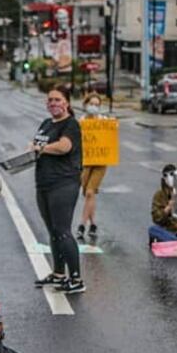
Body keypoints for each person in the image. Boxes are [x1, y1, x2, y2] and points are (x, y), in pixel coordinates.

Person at [31, 86, 85, 295]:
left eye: (58, 100)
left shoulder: (71, 124)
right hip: (43, 183)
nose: (53, 103)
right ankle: (58, 273)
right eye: (50, 100)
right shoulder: (46, 123)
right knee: (53, 232)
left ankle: (76, 278)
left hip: (63, 183)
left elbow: (65, 147)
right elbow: (37, 145)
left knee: (63, 231)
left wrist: (41, 148)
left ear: (67, 103)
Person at [77, 92, 107, 241]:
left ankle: (81, 225)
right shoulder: (81, 122)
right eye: (91, 104)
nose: (94, 107)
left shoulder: (104, 121)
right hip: (86, 162)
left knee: (89, 192)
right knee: (88, 195)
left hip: (100, 162)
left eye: (97, 105)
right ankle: (93, 224)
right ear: (85, 105)